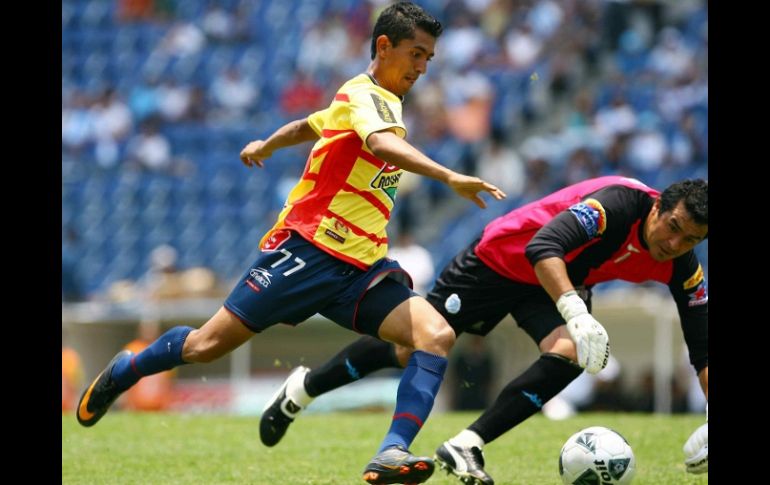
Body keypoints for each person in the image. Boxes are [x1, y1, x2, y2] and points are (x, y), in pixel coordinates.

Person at [76, 3, 505, 484]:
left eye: (429, 58)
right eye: (417, 54)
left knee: (435, 336)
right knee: (206, 346)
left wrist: (267, 144)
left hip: (360, 267)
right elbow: (382, 146)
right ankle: (128, 368)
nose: (423, 67)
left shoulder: (371, 103)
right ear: (383, 46)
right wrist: (449, 175)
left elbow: (310, 124)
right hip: (309, 250)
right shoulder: (363, 95)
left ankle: (391, 452)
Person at [260, 176, 708, 483]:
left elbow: (702, 344)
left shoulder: (682, 265)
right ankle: (305, 387)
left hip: (553, 283)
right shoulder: (617, 204)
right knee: (409, 348)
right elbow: (544, 244)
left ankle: (466, 444)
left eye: (688, 239)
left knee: (572, 352)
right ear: (657, 206)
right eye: (672, 228)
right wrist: (575, 308)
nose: (674, 244)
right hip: (501, 259)